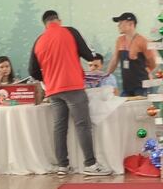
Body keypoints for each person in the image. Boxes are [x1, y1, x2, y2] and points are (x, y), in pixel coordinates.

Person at [29, 10, 111, 176]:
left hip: (53, 91)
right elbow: (89, 56)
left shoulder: (39, 40)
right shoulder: (70, 32)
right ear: (59, 20)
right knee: (82, 125)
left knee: (59, 128)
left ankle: (62, 165)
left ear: (45, 24)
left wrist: (48, 77)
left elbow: (32, 71)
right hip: (73, 86)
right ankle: (90, 164)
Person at [105, 12, 159, 96]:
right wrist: (106, 76)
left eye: (121, 23)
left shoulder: (143, 41)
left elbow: (153, 62)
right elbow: (114, 60)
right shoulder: (120, 40)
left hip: (142, 86)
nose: (118, 26)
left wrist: (147, 70)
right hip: (127, 87)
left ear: (131, 24)